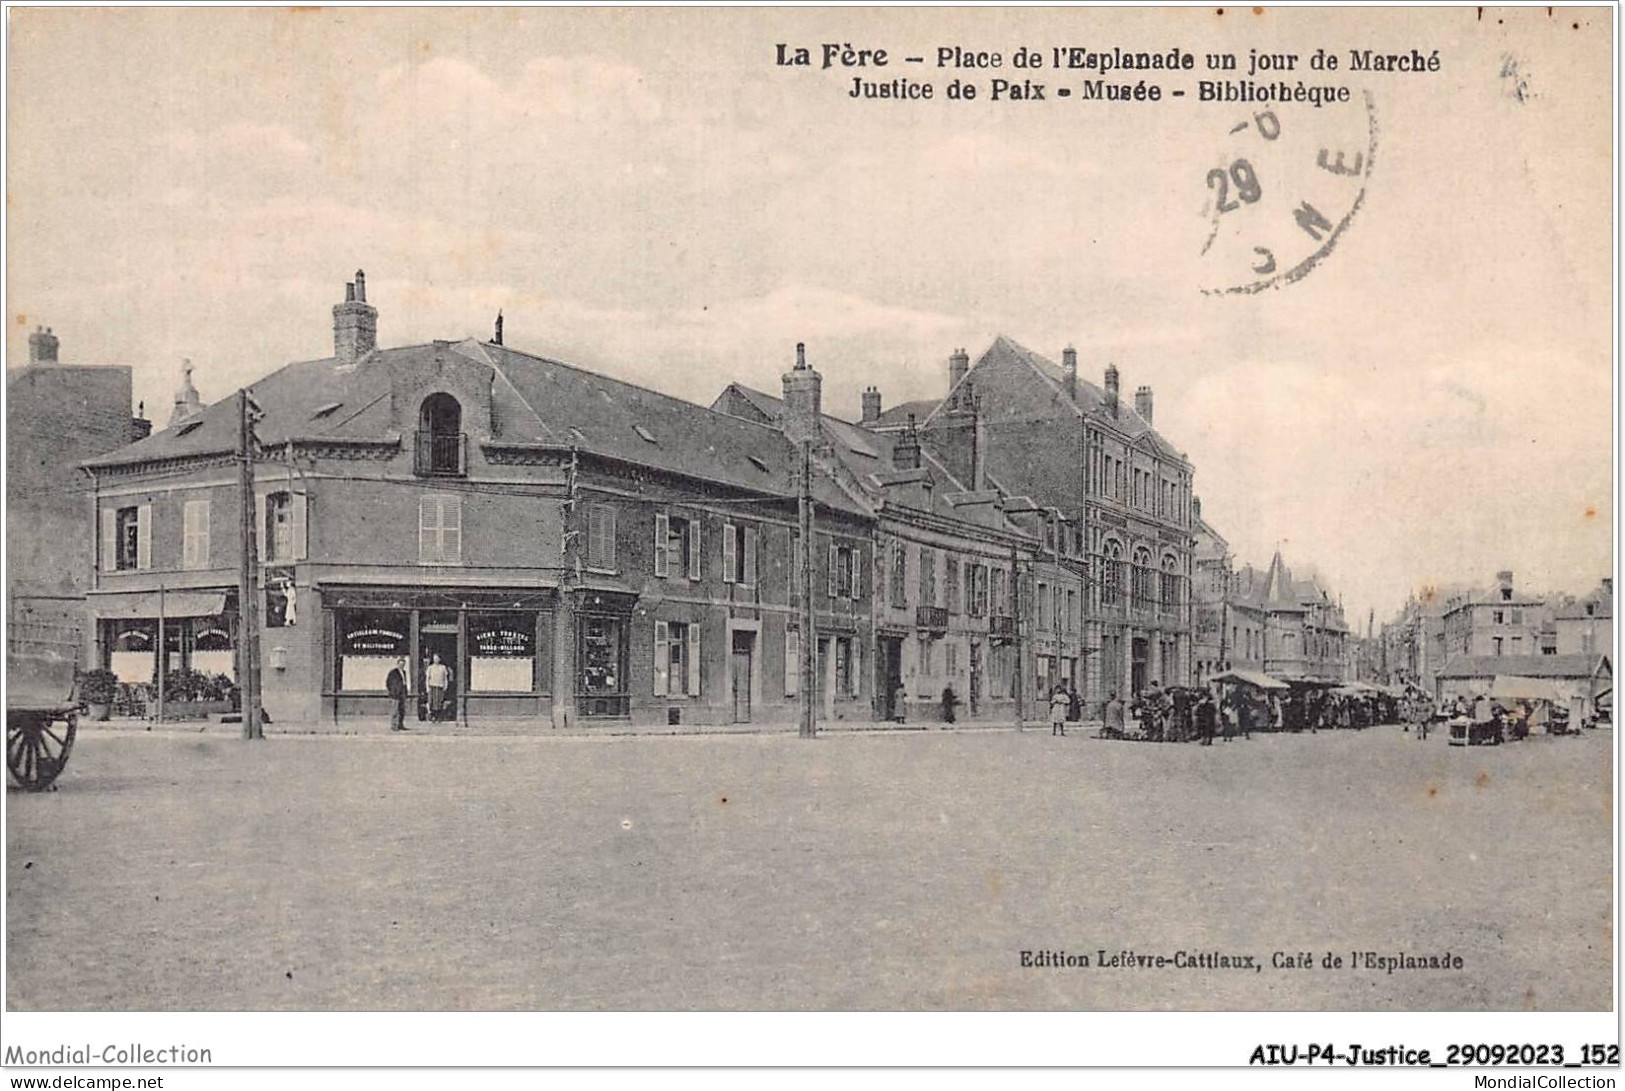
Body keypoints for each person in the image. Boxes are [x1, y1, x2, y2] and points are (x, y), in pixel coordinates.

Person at [385, 657, 409, 732]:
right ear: (397, 664)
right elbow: (388, 682)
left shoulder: (404, 672)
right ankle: (394, 725)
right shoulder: (393, 672)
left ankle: (400, 724)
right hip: (395, 694)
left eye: (403, 664)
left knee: (402, 710)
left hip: (402, 693)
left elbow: (404, 682)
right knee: (395, 710)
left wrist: (405, 692)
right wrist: (392, 691)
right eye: (400, 664)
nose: (401, 666)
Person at [426, 653, 450, 721]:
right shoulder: (430, 667)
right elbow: (427, 678)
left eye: (437, 659)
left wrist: (445, 685)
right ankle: (432, 716)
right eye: (434, 659)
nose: (435, 660)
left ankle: (439, 716)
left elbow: (445, 678)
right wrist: (427, 687)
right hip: (432, 686)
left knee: (439, 701)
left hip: (440, 686)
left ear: (439, 659)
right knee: (432, 701)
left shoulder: (443, 667)